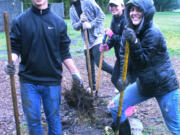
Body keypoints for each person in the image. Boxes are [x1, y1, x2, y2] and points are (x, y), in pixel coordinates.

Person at [4, 0, 82, 134]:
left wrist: (74, 72)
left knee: (54, 121)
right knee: (33, 123)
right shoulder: (20, 22)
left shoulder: (58, 23)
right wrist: (10, 63)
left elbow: (64, 52)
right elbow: (14, 49)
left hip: (52, 81)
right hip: (28, 82)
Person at [108, 0, 180, 135]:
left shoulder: (154, 33)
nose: (134, 13)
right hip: (144, 84)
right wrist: (126, 76)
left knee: (175, 128)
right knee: (114, 106)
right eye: (131, 9)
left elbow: (143, 62)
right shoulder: (129, 30)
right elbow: (124, 54)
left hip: (164, 86)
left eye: (138, 9)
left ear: (146, 12)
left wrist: (135, 42)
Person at [69, 0, 113, 90]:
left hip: (97, 37)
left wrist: (90, 24)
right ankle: (92, 87)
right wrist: (81, 22)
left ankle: (117, 75)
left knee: (100, 64)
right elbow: (74, 26)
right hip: (86, 41)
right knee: (89, 66)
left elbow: (102, 16)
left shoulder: (88, 1)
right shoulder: (72, 10)